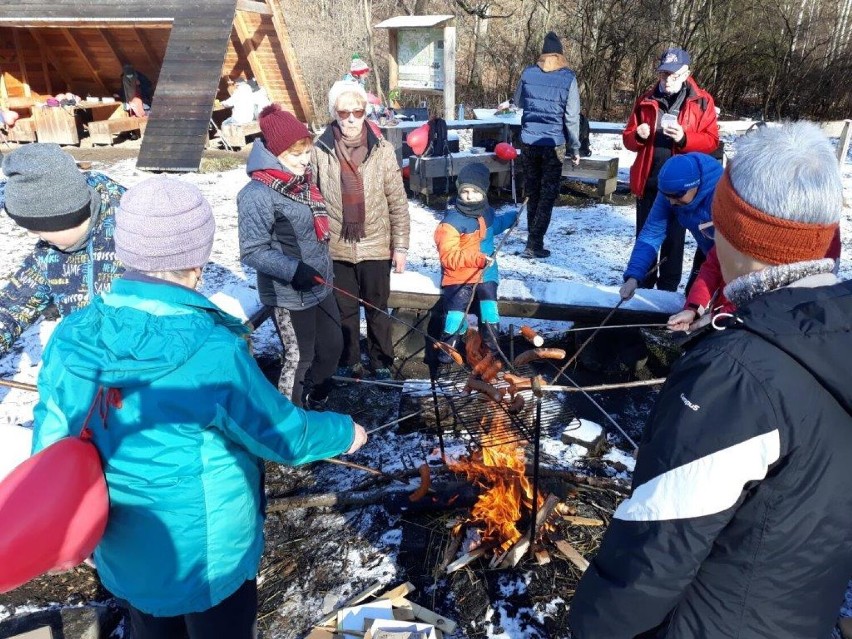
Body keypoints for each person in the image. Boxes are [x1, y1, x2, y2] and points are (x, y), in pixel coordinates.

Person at [31, 175, 368, 639]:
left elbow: (50, 448)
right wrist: (345, 431)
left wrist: (70, 527)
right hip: (209, 555)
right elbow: (283, 436)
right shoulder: (210, 349)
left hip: (123, 547)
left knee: (150, 624)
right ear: (198, 258)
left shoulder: (71, 337)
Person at [569, 122, 852, 639]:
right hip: (801, 613)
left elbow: (654, 550)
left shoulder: (736, 379)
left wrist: (591, 626)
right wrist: (703, 306)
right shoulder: (835, 334)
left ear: (728, 226)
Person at [238, 104, 340, 408]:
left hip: (321, 283)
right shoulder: (257, 193)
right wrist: (294, 271)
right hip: (289, 291)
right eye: (296, 154)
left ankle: (313, 395)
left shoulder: (301, 182)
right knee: (299, 358)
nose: (304, 160)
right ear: (275, 152)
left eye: (307, 152)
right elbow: (252, 250)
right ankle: (290, 426)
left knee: (334, 346)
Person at [312, 80, 410, 380]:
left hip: (376, 245)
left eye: (358, 111)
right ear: (335, 114)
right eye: (344, 113)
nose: (352, 119)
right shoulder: (320, 150)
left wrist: (401, 245)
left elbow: (397, 200)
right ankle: (350, 359)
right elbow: (312, 197)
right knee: (345, 310)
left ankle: (381, 361)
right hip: (337, 246)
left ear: (366, 112)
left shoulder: (382, 150)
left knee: (378, 309)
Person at [0, 143, 126, 360]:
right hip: (86, 370)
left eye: (40, 229)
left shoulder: (135, 232)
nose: (36, 238)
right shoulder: (48, 252)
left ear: (64, 218)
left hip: (145, 372)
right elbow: (13, 306)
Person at [623, 46, 719, 291]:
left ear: (687, 73)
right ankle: (642, 285)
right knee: (648, 233)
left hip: (687, 187)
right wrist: (639, 136)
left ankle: (668, 289)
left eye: (673, 75)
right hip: (651, 180)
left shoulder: (702, 102)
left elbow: (711, 141)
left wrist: (685, 138)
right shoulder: (647, 99)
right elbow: (628, 138)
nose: (667, 80)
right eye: (664, 74)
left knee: (675, 243)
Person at [434, 163, 519, 362]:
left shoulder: (486, 212)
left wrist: (509, 220)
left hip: (486, 273)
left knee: (490, 310)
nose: (470, 196)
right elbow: (448, 257)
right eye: (465, 191)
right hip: (460, 275)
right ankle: (448, 353)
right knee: (455, 314)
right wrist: (477, 259)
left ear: (484, 192)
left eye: (475, 192)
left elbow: (492, 227)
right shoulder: (451, 223)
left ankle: (492, 352)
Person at [619, 152, 723, 302]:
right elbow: (651, 233)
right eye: (667, 196)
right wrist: (633, 277)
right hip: (707, 250)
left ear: (695, 184)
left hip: (733, 254)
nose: (672, 202)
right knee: (693, 298)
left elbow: (738, 250)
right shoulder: (671, 192)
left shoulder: (721, 194)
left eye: (676, 196)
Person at [513, 31, 581, 259]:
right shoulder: (568, 78)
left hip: (530, 141)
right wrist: (575, 147)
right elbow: (572, 117)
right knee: (547, 194)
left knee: (532, 190)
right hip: (554, 143)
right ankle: (535, 242)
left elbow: (518, 102)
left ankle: (532, 237)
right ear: (560, 54)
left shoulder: (528, 73)